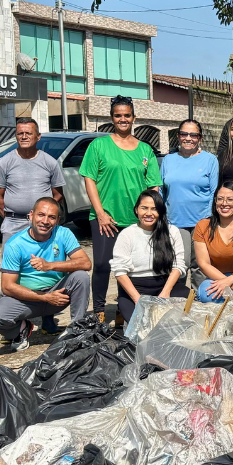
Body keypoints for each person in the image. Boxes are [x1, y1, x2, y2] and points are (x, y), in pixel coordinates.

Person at [80, 96, 162, 326]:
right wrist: (100, 212)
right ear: (112, 118)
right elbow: (89, 180)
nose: (123, 119)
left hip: (136, 220)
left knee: (129, 267)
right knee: (104, 264)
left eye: (127, 115)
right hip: (106, 218)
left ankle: (122, 309)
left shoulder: (145, 150)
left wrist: (147, 214)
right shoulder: (99, 146)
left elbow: (153, 186)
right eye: (118, 115)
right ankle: (98, 310)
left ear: (134, 118)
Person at [0, 197, 91, 351]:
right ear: (31, 215)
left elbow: (86, 263)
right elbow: (7, 287)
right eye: (41, 215)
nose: (45, 221)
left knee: (81, 276)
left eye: (51, 217)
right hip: (26, 300)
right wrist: (45, 297)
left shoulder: (63, 233)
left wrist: (49, 266)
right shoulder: (15, 244)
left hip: (57, 294)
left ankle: (77, 331)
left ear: (58, 220)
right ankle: (21, 330)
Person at [110, 190, 188, 323]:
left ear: (161, 211)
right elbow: (120, 271)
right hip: (135, 288)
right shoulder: (127, 234)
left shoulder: (172, 231)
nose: (149, 213)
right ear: (136, 210)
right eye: (144, 208)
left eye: (154, 209)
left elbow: (179, 265)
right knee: (140, 325)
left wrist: (165, 293)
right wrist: (138, 299)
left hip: (165, 284)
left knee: (183, 314)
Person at [0, 118, 65, 248]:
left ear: (38, 137)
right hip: (13, 225)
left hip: (42, 226)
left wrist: (44, 217)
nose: (24, 137)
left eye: (29, 133)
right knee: (12, 266)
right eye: (20, 133)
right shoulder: (4, 162)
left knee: (43, 265)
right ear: (16, 136)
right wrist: (9, 217)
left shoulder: (50, 163)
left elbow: (58, 195)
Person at [159, 119, 218, 233]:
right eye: (184, 134)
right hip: (172, 223)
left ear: (200, 138)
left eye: (193, 135)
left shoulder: (210, 160)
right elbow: (161, 191)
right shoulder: (168, 160)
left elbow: (214, 192)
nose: (188, 138)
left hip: (201, 224)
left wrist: (208, 218)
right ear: (178, 136)